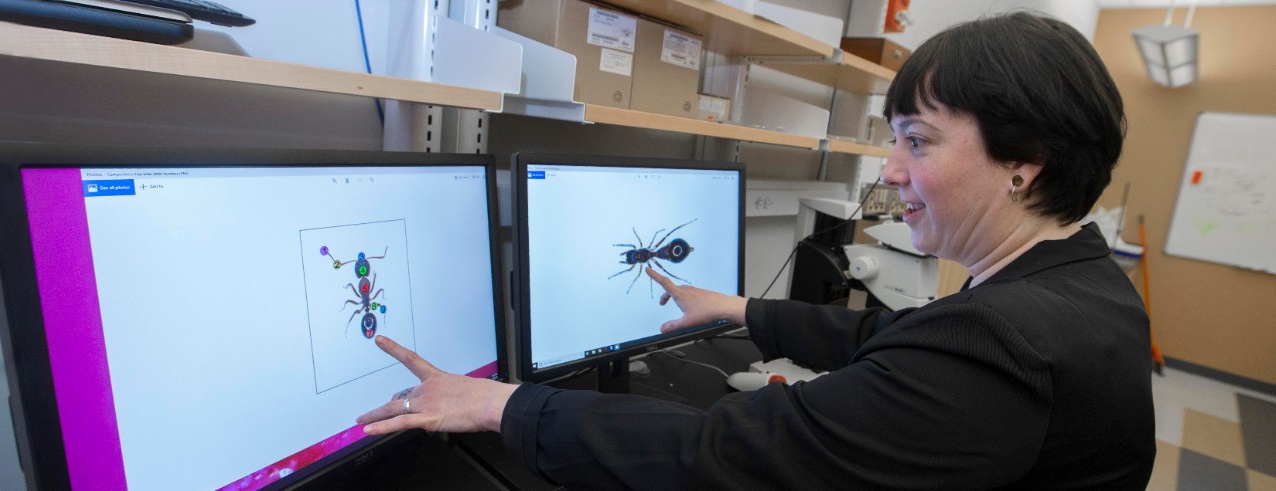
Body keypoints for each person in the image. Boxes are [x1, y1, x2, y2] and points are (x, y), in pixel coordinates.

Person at [356, 12, 1155, 490]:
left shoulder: (1003, 339)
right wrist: (742, 308)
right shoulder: (1080, 283)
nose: (890, 168)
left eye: (917, 140)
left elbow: (724, 453)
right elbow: (896, 342)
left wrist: (501, 404)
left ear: (1026, 161)